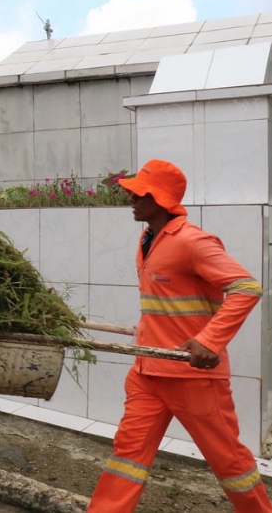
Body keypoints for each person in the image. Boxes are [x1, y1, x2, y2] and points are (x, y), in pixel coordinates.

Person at [88, 159, 272, 512]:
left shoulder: (192, 242)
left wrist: (209, 341)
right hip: (148, 373)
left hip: (193, 377)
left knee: (230, 464)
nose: (131, 200)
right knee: (126, 458)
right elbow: (165, 308)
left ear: (160, 199)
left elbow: (246, 288)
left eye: (139, 194)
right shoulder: (148, 238)